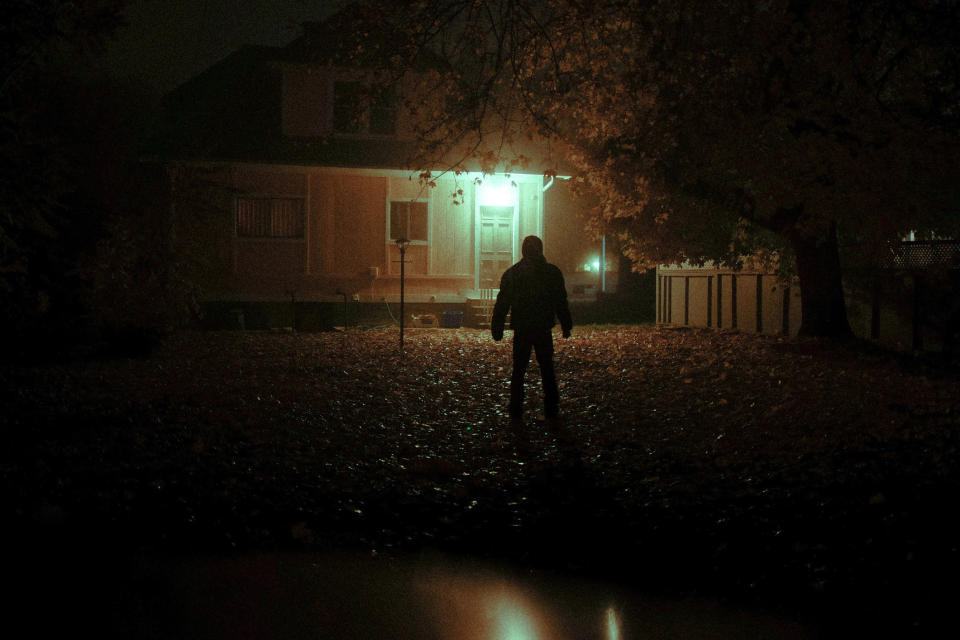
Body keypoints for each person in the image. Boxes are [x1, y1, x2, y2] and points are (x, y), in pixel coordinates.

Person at [491, 235, 573, 422]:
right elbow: (561, 301)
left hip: (523, 327)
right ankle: (551, 407)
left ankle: (516, 407)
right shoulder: (552, 273)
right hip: (543, 327)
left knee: (519, 369)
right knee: (546, 368)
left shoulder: (513, 273)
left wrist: (497, 327)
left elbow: (502, 303)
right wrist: (566, 324)